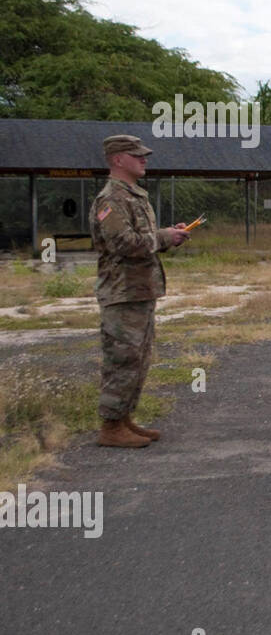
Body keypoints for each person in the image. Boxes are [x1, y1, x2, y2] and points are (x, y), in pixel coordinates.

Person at [90, 134, 190, 447]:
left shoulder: (134, 196)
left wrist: (170, 237)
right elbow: (124, 244)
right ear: (118, 159)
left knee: (138, 358)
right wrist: (163, 237)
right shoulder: (111, 199)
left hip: (139, 290)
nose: (144, 159)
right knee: (121, 358)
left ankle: (124, 419)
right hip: (121, 292)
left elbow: (143, 241)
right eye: (137, 155)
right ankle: (110, 427)